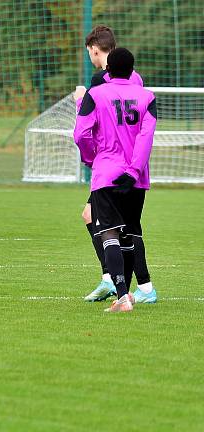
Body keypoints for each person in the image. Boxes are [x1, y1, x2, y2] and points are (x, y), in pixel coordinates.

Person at [73, 26, 155, 303]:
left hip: (108, 162)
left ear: (95, 49)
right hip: (134, 166)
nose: (90, 57)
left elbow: (90, 125)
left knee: (109, 225)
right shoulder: (138, 80)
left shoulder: (100, 82)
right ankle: (133, 285)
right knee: (127, 226)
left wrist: (78, 104)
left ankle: (124, 283)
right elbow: (141, 127)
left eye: (89, 52)